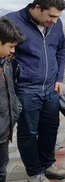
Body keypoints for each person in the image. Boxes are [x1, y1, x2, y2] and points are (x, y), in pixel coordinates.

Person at [6, 0, 65, 181]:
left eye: (58, 17)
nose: (54, 21)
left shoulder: (56, 25)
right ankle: (34, 172)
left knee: (50, 128)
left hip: (51, 88)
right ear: (37, 8)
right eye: (51, 16)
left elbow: (61, 50)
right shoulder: (11, 22)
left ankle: (48, 165)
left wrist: (59, 77)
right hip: (26, 89)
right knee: (28, 133)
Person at [0, 17, 25, 182]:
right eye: (11, 46)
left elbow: (10, 91)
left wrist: (16, 108)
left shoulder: (6, 63)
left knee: (2, 169)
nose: (13, 51)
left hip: (4, 129)